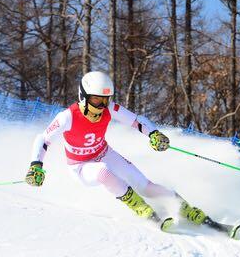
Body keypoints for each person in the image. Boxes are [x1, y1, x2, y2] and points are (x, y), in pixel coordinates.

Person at [25, 71, 208, 229]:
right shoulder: (67, 117)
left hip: (104, 153)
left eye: (105, 100)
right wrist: (36, 165)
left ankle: (187, 210)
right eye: (96, 100)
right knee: (103, 172)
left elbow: (136, 120)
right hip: (81, 166)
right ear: (84, 96)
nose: (101, 106)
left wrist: (153, 134)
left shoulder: (109, 109)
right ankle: (142, 209)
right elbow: (43, 139)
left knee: (145, 186)